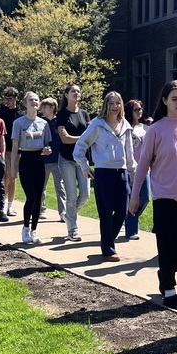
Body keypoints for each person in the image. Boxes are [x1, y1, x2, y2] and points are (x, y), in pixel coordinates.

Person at [129, 81, 177, 309]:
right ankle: (169, 290)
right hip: (165, 196)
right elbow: (143, 164)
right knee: (168, 245)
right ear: (164, 101)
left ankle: (166, 272)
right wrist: (135, 195)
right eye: (174, 99)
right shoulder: (156, 129)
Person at [74, 91, 136, 261]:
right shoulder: (97, 125)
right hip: (103, 173)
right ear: (106, 105)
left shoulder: (125, 125)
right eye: (112, 103)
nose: (115, 107)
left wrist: (133, 172)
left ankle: (107, 241)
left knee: (123, 210)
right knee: (106, 212)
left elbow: (129, 152)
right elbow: (80, 146)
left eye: (118, 103)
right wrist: (85, 167)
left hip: (121, 172)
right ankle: (108, 249)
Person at [11, 92, 52, 244]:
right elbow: (15, 147)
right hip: (25, 160)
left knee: (39, 197)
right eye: (31, 100)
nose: (34, 102)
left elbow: (47, 144)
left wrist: (48, 150)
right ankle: (25, 228)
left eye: (36, 100)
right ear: (25, 103)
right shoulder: (18, 123)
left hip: (39, 161)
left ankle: (34, 230)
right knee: (31, 196)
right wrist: (13, 168)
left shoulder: (44, 123)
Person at [56, 83, 91, 242]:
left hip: (82, 159)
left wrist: (82, 140)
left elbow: (92, 136)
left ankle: (69, 216)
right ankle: (73, 230)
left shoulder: (85, 114)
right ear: (66, 95)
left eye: (78, 91)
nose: (76, 93)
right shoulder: (62, 114)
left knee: (85, 195)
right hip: (66, 160)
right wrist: (84, 139)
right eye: (73, 91)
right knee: (71, 196)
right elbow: (65, 139)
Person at [124, 100, 149, 242]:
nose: (139, 111)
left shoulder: (146, 128)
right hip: (130, 169)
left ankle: (129, 218)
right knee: (132, 198)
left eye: (140, 109)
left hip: (145, 169)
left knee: (145, 197)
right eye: (135, 109)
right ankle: (131, 229)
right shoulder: (126, 127)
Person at [39, 98, 67, 223]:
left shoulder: (59, 122)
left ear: (52, 108)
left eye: (45, 107)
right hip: (43, 160)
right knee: (41, 187)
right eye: (43, 107)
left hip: (58, 160)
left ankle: (63, 212)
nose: (43, 109)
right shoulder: (40, 122)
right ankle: (41, 210)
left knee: (60, 187)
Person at [0, 86, 21, 216]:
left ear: (16, 98)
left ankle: (10, 206)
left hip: (16, 150)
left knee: (12, 177)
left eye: (10, 98)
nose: (7, 101)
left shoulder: (20, 114)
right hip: (2, 149)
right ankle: (3, 205)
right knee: (5, 177)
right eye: (5, 98)